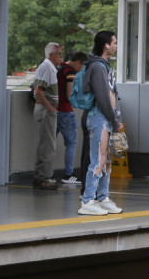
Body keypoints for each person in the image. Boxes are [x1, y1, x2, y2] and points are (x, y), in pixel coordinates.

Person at [78, 31, 124, 216]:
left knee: (105, 160)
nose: (115, 45)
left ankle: (103, 197)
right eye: (114, 42)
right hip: (99, 118)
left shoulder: (104, 66)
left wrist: (114, 119)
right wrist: (113, 120)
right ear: (106, 45)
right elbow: (103, 96)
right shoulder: (97, 67)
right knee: (98, 158)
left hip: (106, 118)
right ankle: (88, 199)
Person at [31, 42, 62, 190]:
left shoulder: (50, 68)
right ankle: (44, 177)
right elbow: (39, 90)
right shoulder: (46, 67)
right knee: (48, 145)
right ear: (51, 55)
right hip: (45, 109)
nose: (61, 57)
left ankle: (42, 175)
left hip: (46, 109)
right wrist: (49, 107)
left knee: (47, 144)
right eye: (59, 54)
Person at [56, 52, 84, 186]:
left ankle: (45, 174)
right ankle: (68, 174)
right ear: (79, 62)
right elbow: (69, 94)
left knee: (49, 144)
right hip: (65, 111)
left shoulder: (58, 67)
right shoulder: (70, 72)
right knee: (72, 143)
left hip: (53, 110)